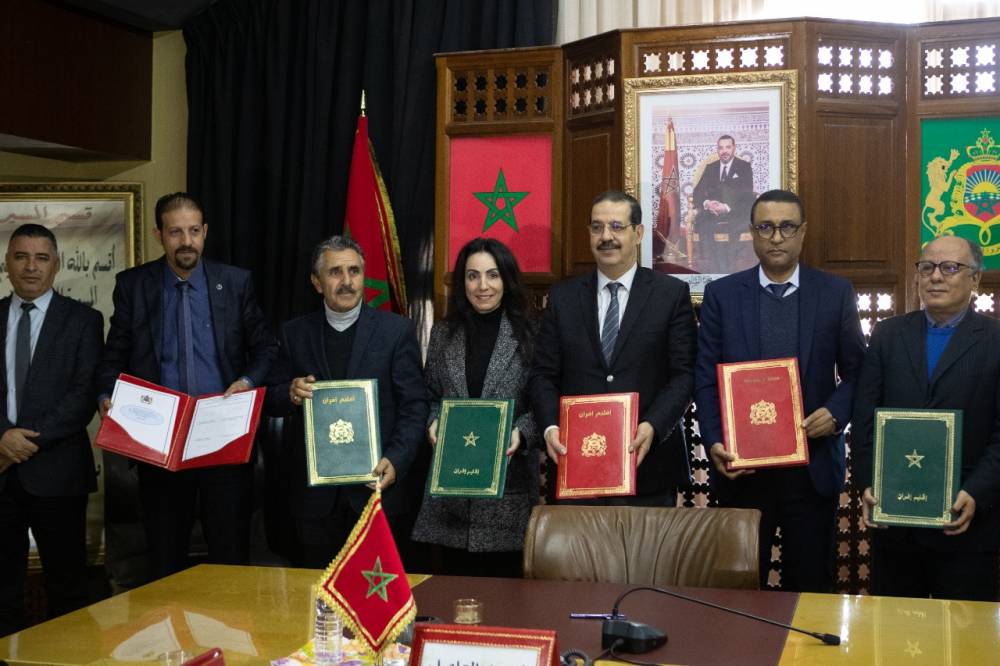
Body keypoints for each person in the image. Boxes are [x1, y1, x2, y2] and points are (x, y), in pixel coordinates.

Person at [97, 192, 278, 581]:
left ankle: (231, 640)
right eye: (176, 232)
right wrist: (105, 397)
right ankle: (171, 642)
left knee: (229, 558)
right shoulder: (134, 286)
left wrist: (246, 381)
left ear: (205, 232)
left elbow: (266, 347)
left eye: (194, 231)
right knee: (165, 560)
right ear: (159, 234)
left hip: (222, 439)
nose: (186, 241)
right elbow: (114, 357)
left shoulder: (234, 282)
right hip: (161, 441)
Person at [694, 189, 866, 592]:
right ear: (751, 233)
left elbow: (860, 371)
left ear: (802, 233)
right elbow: (705, 377)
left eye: (786, 227)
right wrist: (716, 441)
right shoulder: (723, 295)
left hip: (811, 471)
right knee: (737, 594)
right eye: (765, 227)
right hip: (742, 471)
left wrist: (837, 413)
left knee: (808, 591)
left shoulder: (834, 293)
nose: (776, 237)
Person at [265, 235, 427, 568]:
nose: (346, 281)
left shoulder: (396, 331)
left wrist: (396, 460)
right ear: (316, 282)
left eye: (354, 271)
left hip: (376, 492)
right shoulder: (294, 333)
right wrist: (289, 393)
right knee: (317, 604)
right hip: (314, 500)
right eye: (335, 272)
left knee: (377, 606)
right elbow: (270, 398)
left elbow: (415, 406)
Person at [853, 236, 1000, 601]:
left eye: (950, 268)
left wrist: (976, 493)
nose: (936, 277)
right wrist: (871, 485)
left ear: (976, 281)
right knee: (896, 640)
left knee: (966, 646)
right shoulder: (888, 334)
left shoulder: (995, 339)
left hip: (966, 519)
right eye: (927, 267)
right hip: (896, 522)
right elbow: (865, 421)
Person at [529, 190, 697, 505]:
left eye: (617, 227)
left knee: (645, 557)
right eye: (597, 227)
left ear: (638, 233)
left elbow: (684, 375)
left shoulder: (670, 295)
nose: (606, 237)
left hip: (647, 465)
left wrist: (654, 425)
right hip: (575, 466)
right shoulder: (563, 298)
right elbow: (543, 375)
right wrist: (550, 426)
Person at [411, 238, 539, 577]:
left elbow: (545, 405)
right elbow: (429, 395)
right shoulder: (442, 333)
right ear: (462, 283)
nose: (482, 286)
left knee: (504, 604)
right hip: (451, 495)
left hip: (507, 494)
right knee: (451, 598)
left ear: (506, 280)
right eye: (472, 276)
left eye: (492, 275)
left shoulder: (531, 335)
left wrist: (522, 433)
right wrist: (435, 420)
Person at [0, 224, 103, 635]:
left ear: (57, 266)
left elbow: (81, 397)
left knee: (67, 591)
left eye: (42, 258)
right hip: (1, 476)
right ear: (7, 264)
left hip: (58, 476)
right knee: (2, 592)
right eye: (21, 256)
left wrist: (19, 443)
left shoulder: (84, 320)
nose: (31, 266)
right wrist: (2, 438)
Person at [690, 135, 755, 274]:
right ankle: (714, 267)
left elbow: (747, 195)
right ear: (717, 150)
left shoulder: (744, 167)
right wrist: (708, 203)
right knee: (702, 221)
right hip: (712, 212)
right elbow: (697, 192)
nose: (724, 151)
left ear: (734, 148)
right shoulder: (710, 168)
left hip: (734, 211)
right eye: (721, 148)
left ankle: (729, 269)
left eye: (728, 147)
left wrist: (725, 207)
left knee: (737, 222)